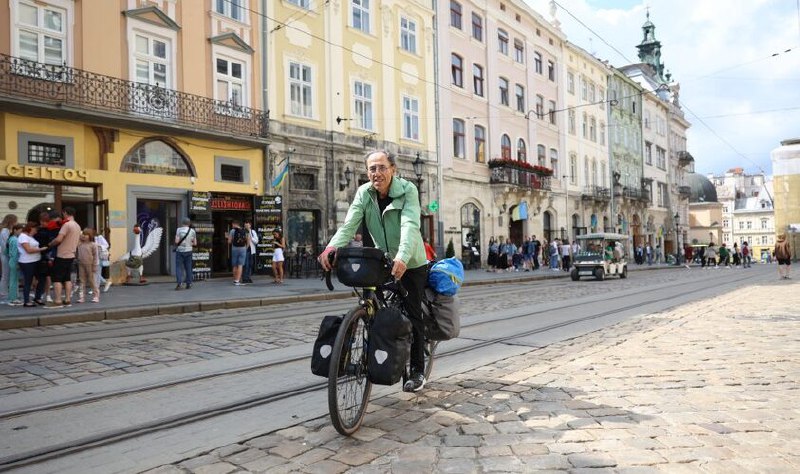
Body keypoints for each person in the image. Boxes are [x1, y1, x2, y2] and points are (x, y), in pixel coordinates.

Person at [317, 149, 428, 392]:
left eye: (381, 167)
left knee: (412, 313)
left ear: (393, 169)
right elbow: (350, 224)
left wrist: (403, 257)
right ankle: (378, 348)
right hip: (384, 259)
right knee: (374, 307)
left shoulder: (407, 190)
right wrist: (332, 247)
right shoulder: (364, 193)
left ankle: (418, 370)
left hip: (411, 260)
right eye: (372, 169)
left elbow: (410, 225)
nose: (376, 173)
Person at [47, 207, 81, 307]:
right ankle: (67, 299)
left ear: (65, 213)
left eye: (63, 213)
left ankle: (57, 300)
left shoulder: (66, 225)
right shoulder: (77, 225)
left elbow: (58, 239)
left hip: (62, 254)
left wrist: (50, 244)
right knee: (67, 278)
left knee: (57, 279)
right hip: (71, 254)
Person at [17, 222, 49, 307]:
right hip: (27, 262)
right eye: (35, 229)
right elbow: (28, 250)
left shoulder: (29, 236)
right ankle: (26, 301)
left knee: (42, 279)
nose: (36, 231)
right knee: (28, 281)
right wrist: (41, 249)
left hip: (36, 260)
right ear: (30, 228)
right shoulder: (23, 237)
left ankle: (37, 297)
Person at [76, 228, 99, 303]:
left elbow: (95, 256)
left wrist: (95, 265)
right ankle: (82, 297)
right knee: (82, 281)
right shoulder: (79, 244)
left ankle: (96, 295)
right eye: (83, 234)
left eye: (86, 235)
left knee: (91, 280)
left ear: (90, 236)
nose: (83, 236)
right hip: (81, 264)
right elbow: (77, 236)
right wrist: (80, 234)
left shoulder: (93, 245)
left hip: (90, 264)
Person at [0, 214, 18, 305]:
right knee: (5, 275)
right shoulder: (5, 231)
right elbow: (5, 245)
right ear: (11, 221)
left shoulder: (7, 230)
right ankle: (3, 294)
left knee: (7, 275)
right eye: (15, 221)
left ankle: (5, 293)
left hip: (7, 255)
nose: (16, 223)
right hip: (6, 255)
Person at [174, 218, 197, 290]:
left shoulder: (178, 230)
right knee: (188, 267)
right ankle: (189, 283)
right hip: (189, 251)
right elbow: (195, 243)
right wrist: (189, 243)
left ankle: (179, 283)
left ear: (182, 223)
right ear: (189, 223)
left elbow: (176, 242)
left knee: (178, 267)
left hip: (180, 251)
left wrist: (177, 238)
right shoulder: (192, 231)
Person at [227, 220, 249, 286]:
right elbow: (248, 241)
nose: (232, 226)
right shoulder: (245, 231)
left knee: (235, 265)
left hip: (234, 249)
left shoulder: (232, 231)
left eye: (232, 224)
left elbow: (229, 242)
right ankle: (237, 280)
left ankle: (235, 280)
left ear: (234, 224)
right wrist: (245, 248)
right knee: (240, 265)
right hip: (243, 249)